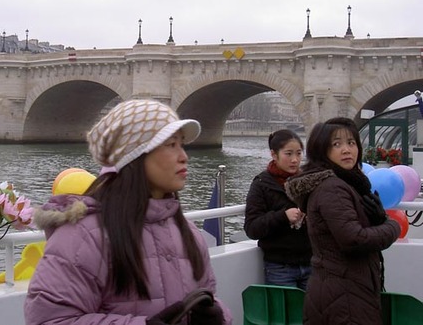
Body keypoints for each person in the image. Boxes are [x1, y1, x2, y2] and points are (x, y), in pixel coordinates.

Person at [24, 99, 232, 325]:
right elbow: (49, 320)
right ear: (134, 156)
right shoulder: (83, 237)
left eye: (181, 144)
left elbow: (211, 296)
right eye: (171, 145)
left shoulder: (187, 232)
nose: (184, 156)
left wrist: (219, 316)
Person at [285, 117, 400, 325]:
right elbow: (353, 239)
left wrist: (375, 220)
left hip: (341, 290)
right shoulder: (333, 188)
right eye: (336, 144)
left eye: (351, 143)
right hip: (345, 296)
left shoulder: (345, 183)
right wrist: (391, 226)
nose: (347, 150)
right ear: (322, 151)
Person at [243, 129, 312, 290]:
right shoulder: (261, 184)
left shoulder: (308, 182)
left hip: (311, 263)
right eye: (288, 154)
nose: (295, 160)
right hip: (280, 267)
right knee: (285, 314)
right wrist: (283, 216)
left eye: (299, 153)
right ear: (274, 155)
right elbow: (252, 228)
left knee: (313, 314)